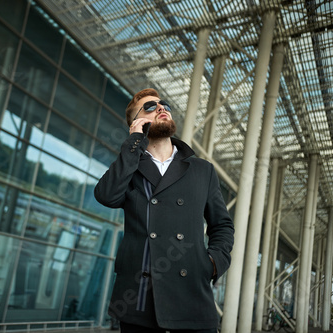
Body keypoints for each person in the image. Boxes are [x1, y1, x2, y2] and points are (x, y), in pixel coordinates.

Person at [94, 88, 235, 332]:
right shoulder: (129, 167)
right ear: (136, 123)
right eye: (150, 107)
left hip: (192, 297)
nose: (161, 108)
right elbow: (106, 196)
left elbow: (221, 225)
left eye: (164, 104)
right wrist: (133, 143)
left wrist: (212, 263)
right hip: (138, 299)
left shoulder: (201, 170)